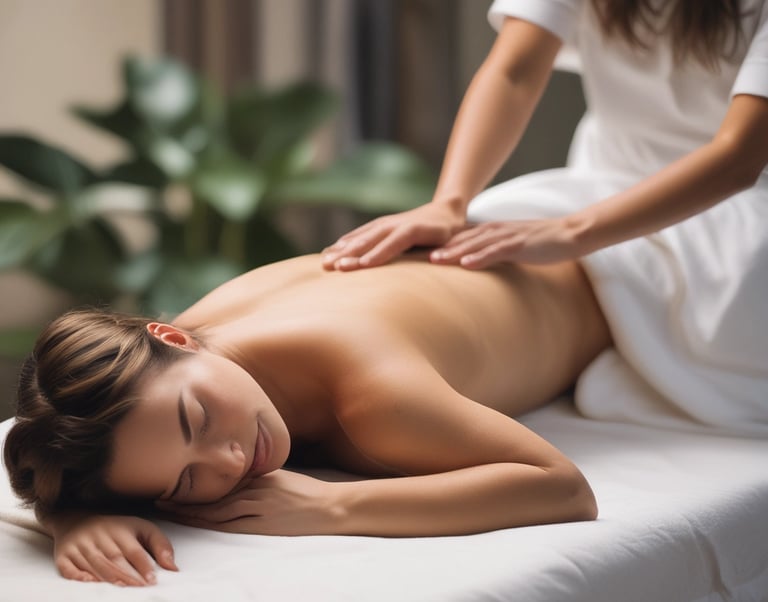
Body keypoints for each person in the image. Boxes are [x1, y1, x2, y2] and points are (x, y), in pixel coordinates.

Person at [4, 253, 610, 587]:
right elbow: (62, 446)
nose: (231, 461)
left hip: (626, 286)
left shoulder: (372, 391)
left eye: (202, 419)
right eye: (185, 483)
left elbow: (564, 487)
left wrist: (332, 508)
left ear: (173, 337)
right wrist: (69, 515)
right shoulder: (163, 356)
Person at [323, 0, 768, 434]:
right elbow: (513, 70)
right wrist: (449, 202)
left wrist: (572, 232)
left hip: (732, 223)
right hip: (594, 187)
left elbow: (739, 157)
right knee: (472, 235)